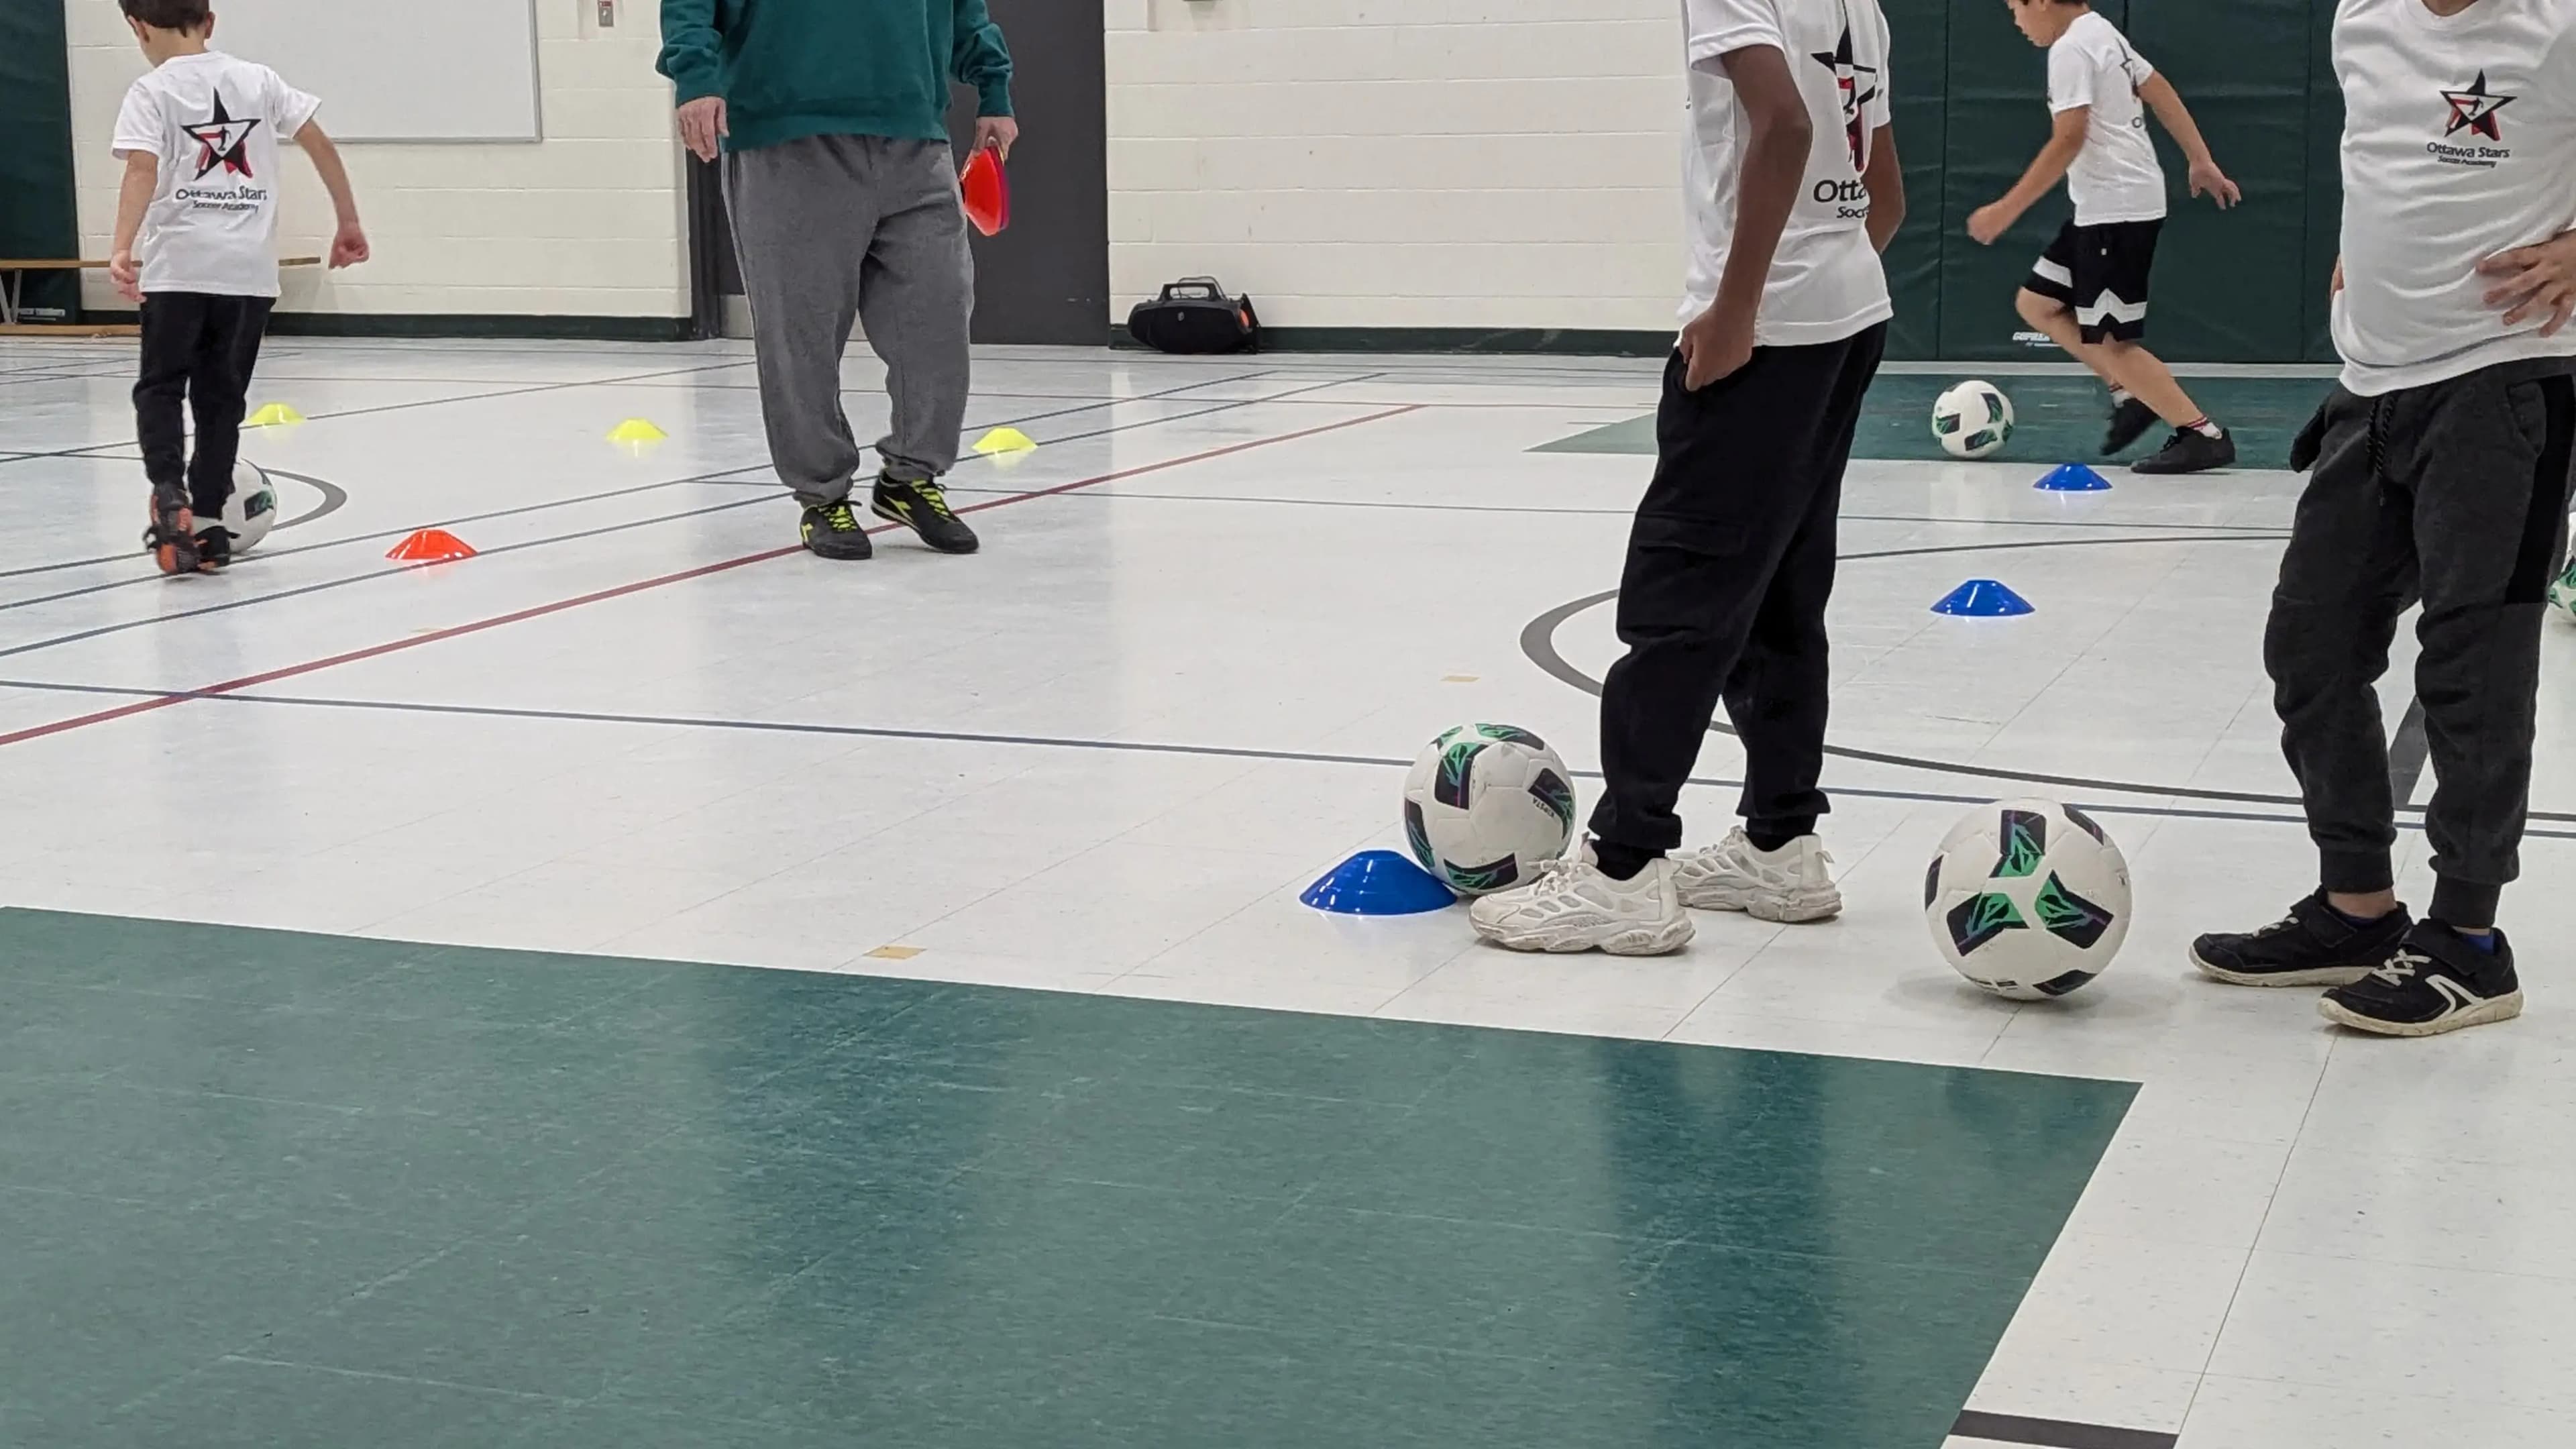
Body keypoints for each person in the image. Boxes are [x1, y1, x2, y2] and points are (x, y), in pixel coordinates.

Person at [1470, 0, 1903, 956]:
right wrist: (1831, 277)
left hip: (1773, 328)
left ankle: (1624, 869)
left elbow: (1786, 124)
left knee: (1680, 601)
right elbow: (1883, 182)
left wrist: (1740, 306)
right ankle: (1780, 843)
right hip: (1847, 312)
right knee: (1784, 598)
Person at [2191, 0, 2576, 1036]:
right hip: (2371, 389)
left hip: (2505, 389)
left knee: (2474, 667)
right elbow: (2385, 153)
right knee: (2310, 647)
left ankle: (2469, 944)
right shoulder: (2362, 15)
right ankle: (2357, 907)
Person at [658, 0, 1016, 562]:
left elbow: (964, 9)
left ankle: (910, 477)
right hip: (786, 136)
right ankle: (822, 496)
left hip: (916, 136)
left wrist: (995, 90)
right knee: (800, 335)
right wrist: (696, 78)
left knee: (939, 318)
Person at [109, 0, 367, 576]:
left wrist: (122, 245)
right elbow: (321, 144)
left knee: (160, 387)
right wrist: (347, 222)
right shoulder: (259, 80)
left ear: (138, 26)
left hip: (179, 270)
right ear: (211, 21)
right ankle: (209, 529)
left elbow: (141, 168)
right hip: (248, 276)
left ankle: (169, 492)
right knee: (221, 399)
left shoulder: (151, 91)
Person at [1968, 0, 2242, 476]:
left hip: (2116, 212)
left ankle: (2202, 434)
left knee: (2114, 340)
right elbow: (2160, 90)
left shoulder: (2072, 48)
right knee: (2037, 304)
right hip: (2103, 207)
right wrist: (2200, 159)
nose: (2015, 19)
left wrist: (2005, 210)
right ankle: (2129, 394)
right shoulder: (2101, 32)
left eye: (2016, 7)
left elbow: (2068, 138)